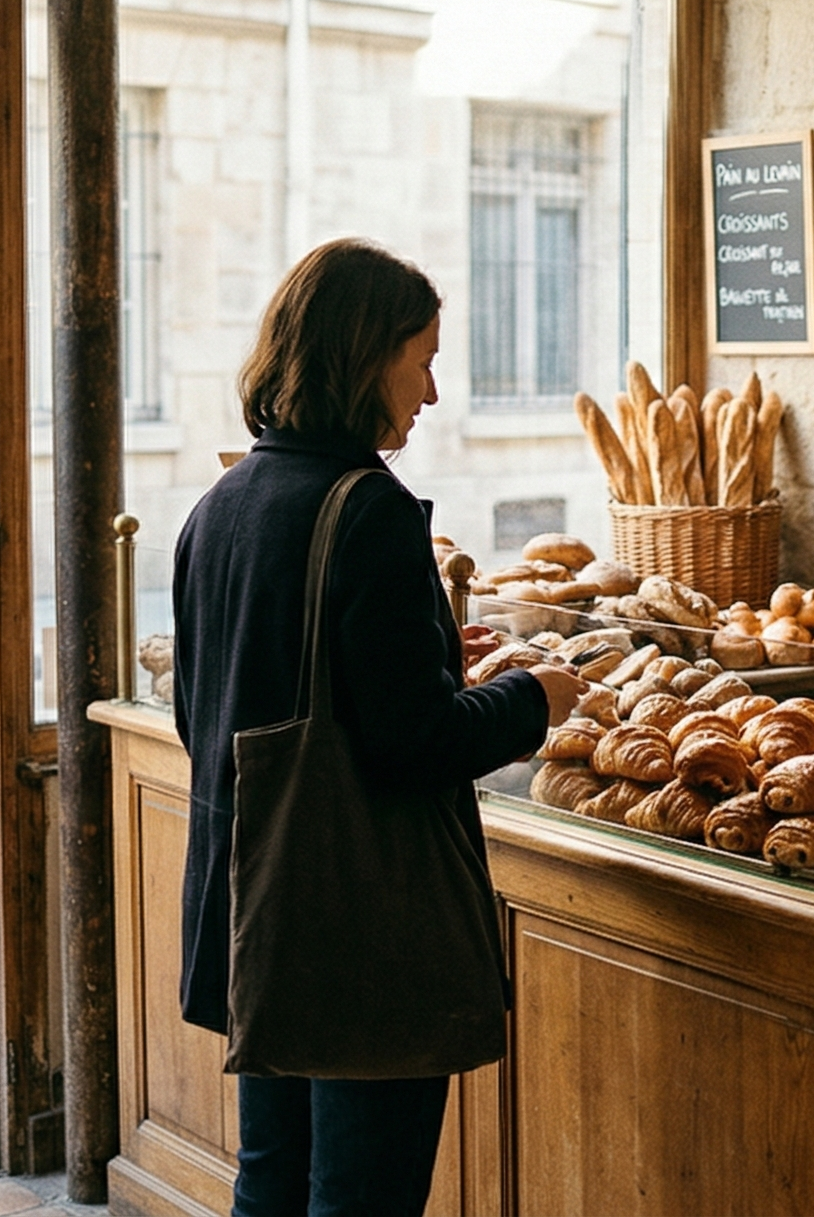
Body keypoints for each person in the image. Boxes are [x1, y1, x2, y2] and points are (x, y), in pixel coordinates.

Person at [173, 238, 584, 1216]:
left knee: (270, 1181)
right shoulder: (368, 514)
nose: (432, 393)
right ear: (365, 359)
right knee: (363, 1199)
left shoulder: (219, 505)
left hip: (253, 912)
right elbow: (415, 746)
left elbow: (220, 710)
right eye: (422, 360)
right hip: (353, 928)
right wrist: (534, 694)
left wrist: (443, 663)